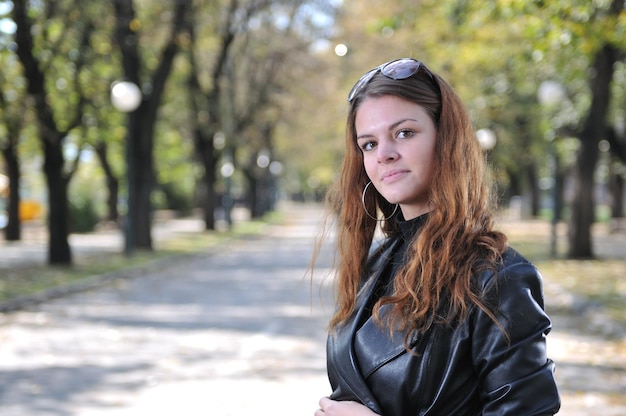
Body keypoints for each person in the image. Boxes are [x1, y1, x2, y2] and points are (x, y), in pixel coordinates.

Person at [312, 58, 561, 415]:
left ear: (446, 138)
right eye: (368, 143)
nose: (384, 154)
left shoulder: (498, 278)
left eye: (404, 133)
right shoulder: (376, 262)